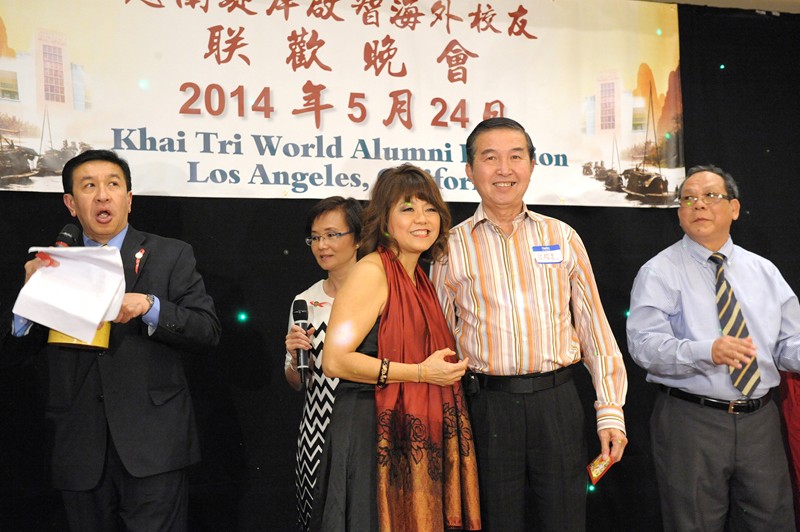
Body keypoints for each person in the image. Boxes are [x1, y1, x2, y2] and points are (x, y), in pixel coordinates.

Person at [3, 149, 221, 532]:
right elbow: (13, 354)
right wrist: (28, 301)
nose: (102, 195)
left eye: (113, 185)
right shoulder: (52, 264)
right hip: (78, 447)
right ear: (71, 203)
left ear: (129, 198)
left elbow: (207, 331)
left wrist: (150, 306)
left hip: (154, 447)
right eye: (89, 186)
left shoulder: (170, 255)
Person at [431, 117, 629, 532]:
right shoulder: (449, 246)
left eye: (515, 157)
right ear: (469, 170)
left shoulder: (563, 236)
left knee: (565, 520)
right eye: (490, 158)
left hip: (557, 404)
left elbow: (594, 328)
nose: (504, 169)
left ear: (532, 165)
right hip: (488, 408)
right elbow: (440, 342)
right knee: (495, 521)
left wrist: (610, 411)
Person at [627, 164, 798, 530]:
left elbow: (788, 344)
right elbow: (643, 346)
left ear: (734, 208)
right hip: (691, 421)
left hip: (760, 421)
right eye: (688, 199)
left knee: (773, 521)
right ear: (679, 213)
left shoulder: (764, 271)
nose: (698, 205)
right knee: (694, 524)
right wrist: (706, 351)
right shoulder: (659, 272)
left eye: (710, 196)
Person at [312, 164, 481, 531]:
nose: (422, 218)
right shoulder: (372, 272)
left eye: (430, 208)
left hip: (408, 432)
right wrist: (421, 373)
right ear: (384, 220)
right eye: (407, 208)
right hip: (370, 431)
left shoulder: (419, 277)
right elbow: (335, 361)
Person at [283, 196, 362, 531]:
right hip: (317, 432)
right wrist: (295, 358)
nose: (322, 245)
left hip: (366, 431)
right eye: (315, 237)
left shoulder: (381, 295)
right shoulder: (305, 301)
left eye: (332, 235)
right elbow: (296, 382)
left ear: (357, 238)